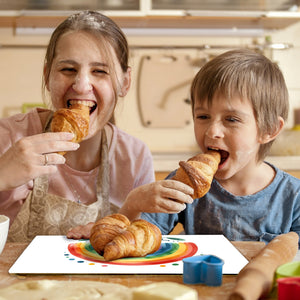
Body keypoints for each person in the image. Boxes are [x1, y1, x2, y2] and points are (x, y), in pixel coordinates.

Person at [0, 10, 155, 242]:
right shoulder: (9, 138)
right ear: (46, 76)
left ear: (125, 82)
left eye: (100, 71)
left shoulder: (134, 157)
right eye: (68, 69)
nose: (82, 86)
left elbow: (144, 244)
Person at [120, 49, 300, 247]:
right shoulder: (184, 183)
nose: (212, 131)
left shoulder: (293, 197)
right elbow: (138, 240)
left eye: (231, 119)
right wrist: (133, 204)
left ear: (269, 129)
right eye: (203, 117)